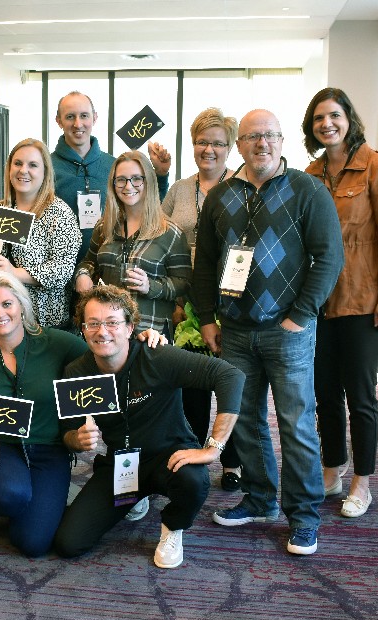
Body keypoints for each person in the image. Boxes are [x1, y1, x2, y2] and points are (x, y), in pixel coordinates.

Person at [191, 109, 344, 556]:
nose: (262, 143)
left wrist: (300, 315)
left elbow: (328, 258)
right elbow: (204, 266)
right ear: (238, 145)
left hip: (289, 331)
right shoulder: (220, 196)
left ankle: (304, 516)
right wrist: (205, 318)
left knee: (296, 424)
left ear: (282, 141)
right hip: (235, 332)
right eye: (252, 136)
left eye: (270, 135)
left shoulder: (308, 190)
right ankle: (260, 499)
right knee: (245, 419)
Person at [54, 285, 244, 567]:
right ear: (83, 329)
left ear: (130, 327)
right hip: (122, 464)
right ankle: (134, 498)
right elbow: (66, 434)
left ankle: (172, 527)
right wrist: (76, 439)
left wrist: (213, 449)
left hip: (170, 456)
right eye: (93, 323)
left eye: (112, 323)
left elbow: (231, 376)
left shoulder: (157, 355)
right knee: (69, 543)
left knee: (193, 481)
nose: (102, 331)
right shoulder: (76, 373)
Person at [302, 88, 378, 518]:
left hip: (364, 300)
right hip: (320, 303)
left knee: (360, 394)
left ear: (349, 118)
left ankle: (363, 482)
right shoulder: (311, 172)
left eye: (334, 115)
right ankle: (333, 468)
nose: (327, 123)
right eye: (319, 118)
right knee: (323, 391)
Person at [0, 270, 88, 557]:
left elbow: (104, 351)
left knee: (32, 544)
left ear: (22, 305)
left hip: (49, 448)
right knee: (8, 494)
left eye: (7, 304)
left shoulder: (56, 342)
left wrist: (142, 337)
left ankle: (14, 502)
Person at [161, 107, 243, 490]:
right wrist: (175, 301)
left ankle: (232, 460)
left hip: (233, 300)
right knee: (192, 386)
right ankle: (192, 453)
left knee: (231, 382)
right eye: (201, 141)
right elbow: (161, 238)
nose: (208, 149)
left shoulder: (243, 187)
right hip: (187, 301)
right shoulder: (178, 189)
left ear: (231, 147)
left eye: (217, 143)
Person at [73, 150, 191, 336]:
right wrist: (82, 274)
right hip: (108, 332)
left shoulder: (170, 232)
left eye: (136, 179)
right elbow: (89, 262)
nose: (128, 186)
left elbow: (183, 283)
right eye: (121, 180)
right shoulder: (105, 226)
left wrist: (149, 286)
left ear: (149, 182)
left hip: (151, 332)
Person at [50, 91, 171, 265]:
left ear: (95, 118)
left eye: (84, 116)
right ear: (59, 121)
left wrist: (160, 176)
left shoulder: (114, 167)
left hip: (109, 268)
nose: (78, 124)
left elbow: (147, 207)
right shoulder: (45, 169)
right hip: (60, 273)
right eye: (70, 116)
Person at [0, 138, 81, 329]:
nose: (23, 170)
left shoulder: (59, 213)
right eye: (18, 163)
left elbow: (62, 271)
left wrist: (14, 273)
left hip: (46, 326)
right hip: (3, 321)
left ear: (45, 172)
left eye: (33, 165)